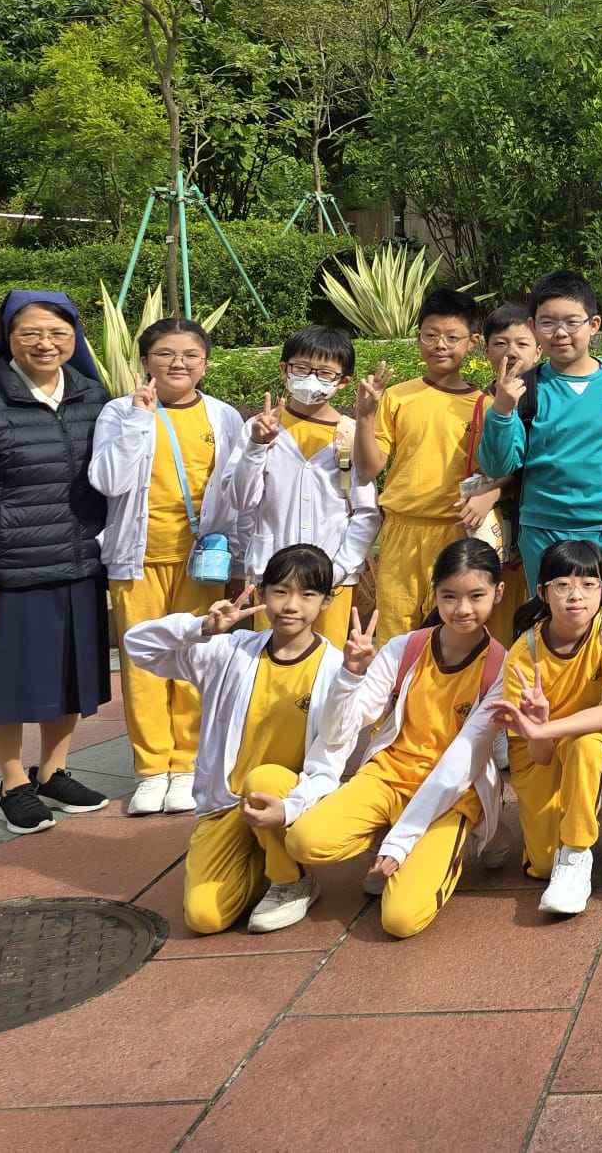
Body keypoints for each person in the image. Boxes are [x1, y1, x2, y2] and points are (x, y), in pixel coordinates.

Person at [0, 290, 113, 835]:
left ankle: (53, 771)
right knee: (6, 684)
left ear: (75, 337)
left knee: (70, 677)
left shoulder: (93, 396)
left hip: (79, 563)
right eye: (30, 332)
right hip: (8, 571)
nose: (45, 344)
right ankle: (13, 782)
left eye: (58, 333)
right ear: (8, 337)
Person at [120, 544, 358, 934]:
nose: (291, 605)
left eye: (308, 594)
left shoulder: (335, 669)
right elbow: (139, 646)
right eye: (280, 591)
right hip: (226, 805)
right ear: (261, 593)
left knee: (264, 779)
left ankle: (292, 878)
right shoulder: (229, 651)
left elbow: (329, 764)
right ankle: (261, 858)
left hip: (287, 802)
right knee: (204, 918)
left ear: (327, 601)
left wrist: (291, 808)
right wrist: (201, 628)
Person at [285, 538, 508, 940]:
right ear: (434, 594)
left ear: (499, 592)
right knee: (304, 841)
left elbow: (462, 760)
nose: (462, 609)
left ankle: (429, 845)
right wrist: (349, 677)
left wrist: (401, 843)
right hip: (388, 776)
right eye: (449, 596)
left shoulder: (500, 667)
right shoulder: (405, 649)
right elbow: (339, 730)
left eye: (476, 596)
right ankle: (387, 833)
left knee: (401, 920)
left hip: (452, 794)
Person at [90, 317, 249, 817]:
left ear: (205, 363)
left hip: (203, 562)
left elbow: (238, 490)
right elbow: (108, 481)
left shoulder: (223, 416)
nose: (178, 363)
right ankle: (151, 768)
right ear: (145, 361)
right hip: (136, 559)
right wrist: (140, 421)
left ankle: (187, 765)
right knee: (142, 664)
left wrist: (240, 554)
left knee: (196, 658)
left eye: (190, 355)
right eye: (165, 354)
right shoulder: (119, 412)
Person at [476, 273, 602, 635]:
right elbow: (497, 464)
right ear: (533, 326)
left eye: (572, 322)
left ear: (594, 325)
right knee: (553, 633)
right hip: (544, 529)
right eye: (548, 323)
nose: (560, 333)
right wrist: (502, 410)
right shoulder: (524, 389)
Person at [489, 539, 602, 917]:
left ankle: (576, 854)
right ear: (542, 592)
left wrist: (547, 727)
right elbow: (538, 754)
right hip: (538, 753)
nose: (576, 595)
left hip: (584, 737)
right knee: (541, 865)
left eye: (588, 584)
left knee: (585, 745)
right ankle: (572, 822)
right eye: (562, 585)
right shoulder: (524, 653)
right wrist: (539, 727)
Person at [231, 324, 378, 654]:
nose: (311, 379)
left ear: (343, 381)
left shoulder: (350, 434)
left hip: (333, 580)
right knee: (269, 659)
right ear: (284, 369)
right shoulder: (260, 427)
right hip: (272, 576)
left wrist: (339, 568)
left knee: (326, 661)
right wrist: (257, 446)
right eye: (301, 368)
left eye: (325, 373)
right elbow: (241, 499)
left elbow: (365, 512)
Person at [355, 289, 485, 642]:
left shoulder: (484, 405)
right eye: (430, 335)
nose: (440, 345)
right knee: (396, 633)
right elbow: (369, 470)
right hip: (402, 530)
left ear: (473, 342)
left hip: (456, 531)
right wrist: (365, 417)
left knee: (453, 632)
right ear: (418, 338)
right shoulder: (397, 396)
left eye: (452, 337)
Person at [466, 304, 539, 649]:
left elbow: (527, 465)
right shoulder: (479, 397)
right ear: (485, 349)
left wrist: (493, 493)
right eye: (500, 343)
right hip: (478, 522)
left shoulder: (540, 398)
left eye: (522, 344)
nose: (511, 352)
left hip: (524, 523)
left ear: (539, 351)